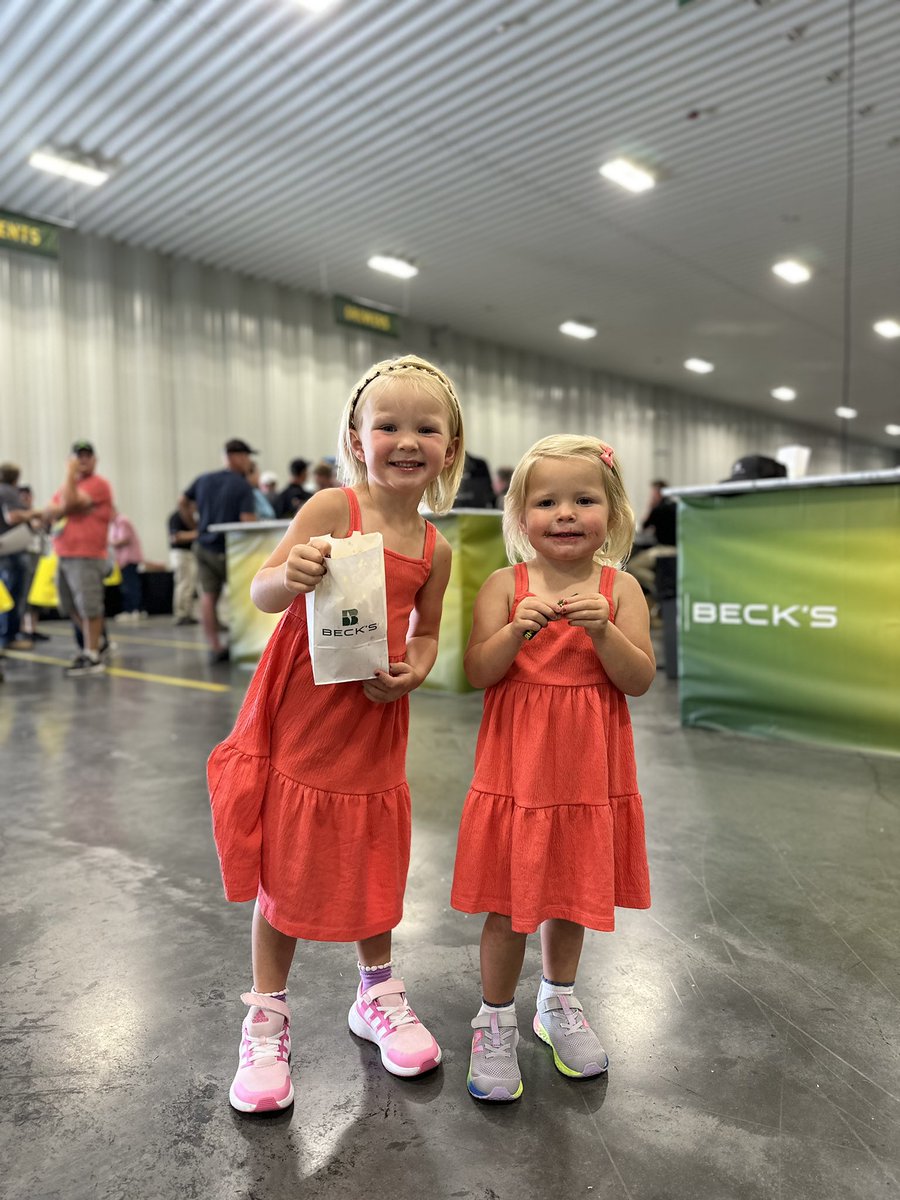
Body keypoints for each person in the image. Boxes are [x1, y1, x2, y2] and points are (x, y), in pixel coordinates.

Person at [207, 354, 464, 1114]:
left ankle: (376, 993)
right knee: (286, 862)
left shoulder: (435, 549)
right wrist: (295, 575)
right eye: (388, 424)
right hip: (303, 720)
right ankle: (267, 1014)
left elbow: (425, 637)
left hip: (373, 721)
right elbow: (259, 589)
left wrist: (413, 674)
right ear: (357, 438)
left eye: (427, 427)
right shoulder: (329, 508)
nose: (407, 439)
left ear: (450, 448)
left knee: (372, 854)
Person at [450, 434, 654, 1103]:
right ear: (520, 517)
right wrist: (513, 632)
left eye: (584, 499)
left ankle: (557, 1002)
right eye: (546, 501)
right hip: (518, 777)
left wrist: (604, 632)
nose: (565, 513)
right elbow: (478, 671)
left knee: (570, 893)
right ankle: (495, 1016)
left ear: (613, 512)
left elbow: (639, 679)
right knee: (509, 903)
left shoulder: (620, 589)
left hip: (586, 777)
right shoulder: (504, 585)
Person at [179, 438, 258, 664]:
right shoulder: (242, 486)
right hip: (231, 551)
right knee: (243, 598)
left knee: (208, 597)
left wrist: (194, 526)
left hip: (204, 547)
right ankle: (243, 647)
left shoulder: (204, 480)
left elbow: (182, 501)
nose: (248, 462)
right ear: (236, 457)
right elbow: (248, 522)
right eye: (246, 456)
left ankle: (214, 646)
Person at [42, 442, 115, 677]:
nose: (82, 460)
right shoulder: (70, 485)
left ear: (95, 460)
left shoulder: (98, 484)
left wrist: (69, 473)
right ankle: (96, 643)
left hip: (87, 554)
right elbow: (53, 510)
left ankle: (92, 654)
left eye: (86, 456)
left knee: (89, 606)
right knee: (69, 605)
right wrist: (60, 505)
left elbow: (69, 503)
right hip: (63, 554)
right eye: (77, 457)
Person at [0, 462, 41, 651]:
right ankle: (9, 637)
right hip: (11, 549)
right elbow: (13, 517)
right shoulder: (8, 491)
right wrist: (35, 513)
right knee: (14, 594)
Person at [626, 480, 677, 604]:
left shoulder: (659, 509)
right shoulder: (676, 506)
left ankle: (659, 584)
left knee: (633, 566)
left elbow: (644, 526)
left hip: (664, 550)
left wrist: (651, 506)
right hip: (678, 550)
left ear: (658, 493)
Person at [109, 510, 145, 622]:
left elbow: (124, 539)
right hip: (122, 560)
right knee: (126, 585)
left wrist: (109, 542)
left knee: (131, 586)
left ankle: (135, 610)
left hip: (129, 558)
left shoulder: (122, 521)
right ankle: (130, 609)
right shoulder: (115, 523)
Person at [167, 507, 199, 625]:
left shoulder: (191, 517)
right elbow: (175, 537)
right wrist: (197, 534)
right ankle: (181, 614)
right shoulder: (176, 516)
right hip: (181, 554)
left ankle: (187, 612)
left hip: (187, 553)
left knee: (188, 585)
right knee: (183, 584)